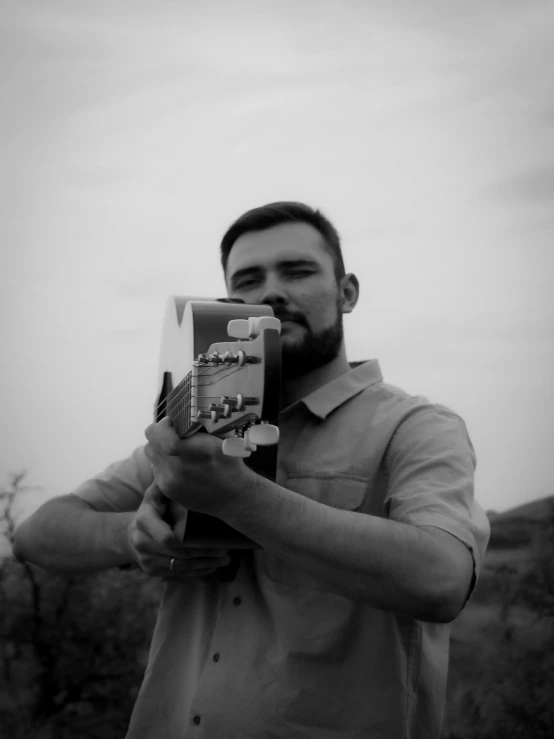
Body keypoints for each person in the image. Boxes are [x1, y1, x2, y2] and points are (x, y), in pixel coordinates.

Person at [14, 201, 490, 739]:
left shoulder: (418, 426)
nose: (271, 293)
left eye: (298, 271)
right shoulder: (193, 430)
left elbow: (441, 580)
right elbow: (37, 534)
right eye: (248, 280)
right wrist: (132, 536)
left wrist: (237, 499)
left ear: (347, 292)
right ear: (227, 302)